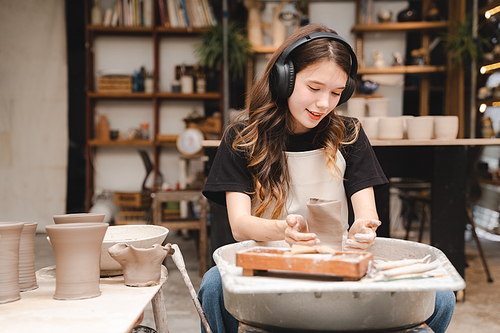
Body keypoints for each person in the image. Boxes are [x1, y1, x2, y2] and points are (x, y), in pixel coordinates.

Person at [198, 23, 455, 333]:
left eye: (336, 92)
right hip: (272, 265)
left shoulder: (349, 134)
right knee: (213, 284)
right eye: (314, 88)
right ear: (284, 79)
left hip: (338, 264)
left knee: (441, 295)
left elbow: (367, 214)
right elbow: (240, 226)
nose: (324, 103)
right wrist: (285, 230)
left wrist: (364, 229)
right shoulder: (242, 138)